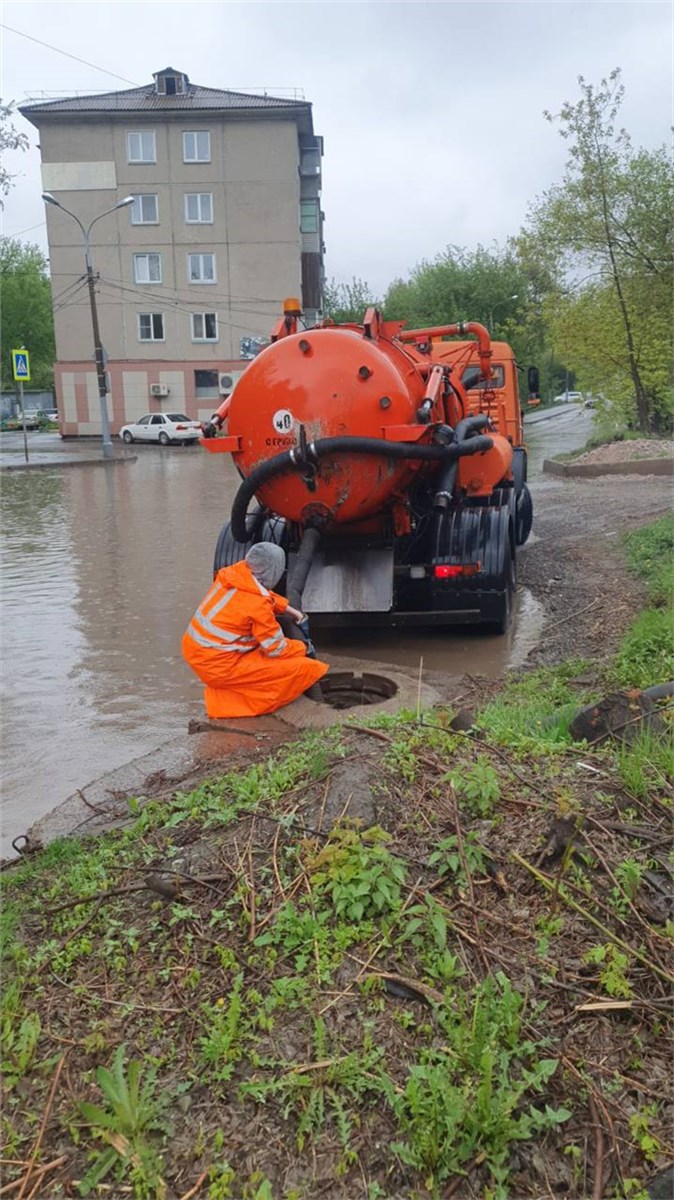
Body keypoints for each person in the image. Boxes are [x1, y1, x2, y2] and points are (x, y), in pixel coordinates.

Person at [182, 542, 328, 718]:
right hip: (219, 665)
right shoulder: (258, 606)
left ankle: (223, 693)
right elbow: (276, 649)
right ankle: (227, 706)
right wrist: (304, 647)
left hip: (201, 655)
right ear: (273, 572)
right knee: (305, 668)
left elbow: (258, 594)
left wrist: (287, 608)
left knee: (270, 661)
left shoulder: (232, 575)